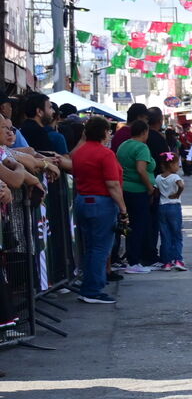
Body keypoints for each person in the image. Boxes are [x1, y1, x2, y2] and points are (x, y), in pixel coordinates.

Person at [71, 116, 127, 304]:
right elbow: (112, 184)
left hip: (83, 200)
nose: (110, 134)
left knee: (91, 247)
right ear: (104, 132)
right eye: (109, 131)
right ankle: (92, 289)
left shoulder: (79, 152)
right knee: (100, 248)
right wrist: (123, 209)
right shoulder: (105, 154)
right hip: (101, 202)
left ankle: (89, 285)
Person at [116, 118, 158, 274]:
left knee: (129, 225)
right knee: (138, 226)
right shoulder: (142, 147)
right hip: (138, 191)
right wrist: (150, 188)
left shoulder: (123, 145)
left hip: (124, 189)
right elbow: (141, 169)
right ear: (144, 132)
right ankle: (133, 261)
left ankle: (131, 257)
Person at [154, 152, 188, 271]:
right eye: (177, 164)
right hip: (174, 206)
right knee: (177, 234)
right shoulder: (175, 177)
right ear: (172, 165)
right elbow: (181, 186)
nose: (178, 167)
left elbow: (156, 192)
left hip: (162, 207)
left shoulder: (158, 177)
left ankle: (166, 262)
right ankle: (178, 259)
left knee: (165, 235)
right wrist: (177, 194)